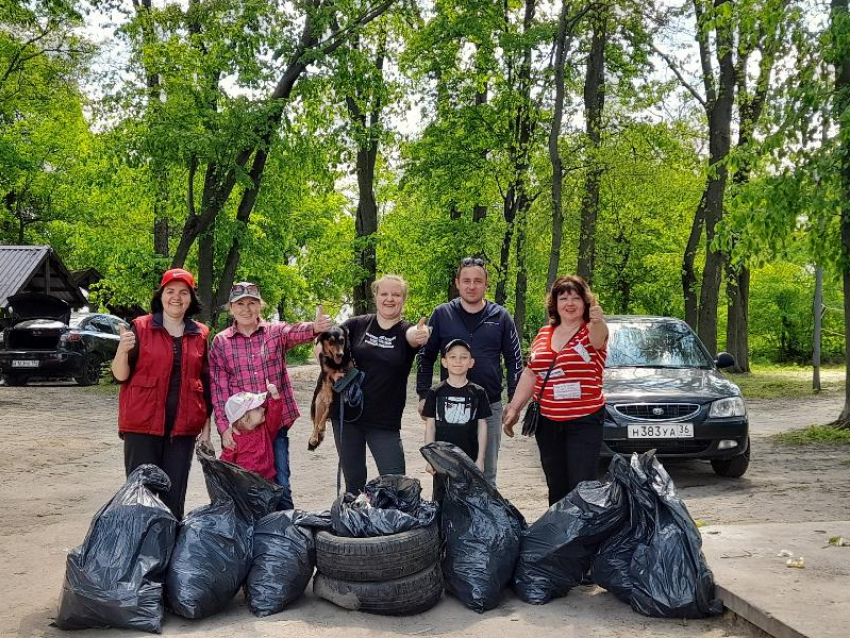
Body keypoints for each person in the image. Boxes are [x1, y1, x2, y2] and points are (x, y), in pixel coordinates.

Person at [209, 282, 332, 509]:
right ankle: (252, 535)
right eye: (240, 304)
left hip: (275, 423)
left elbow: (295, 331)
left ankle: (287, 535)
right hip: (242, 428)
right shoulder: (221, 342)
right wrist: (224, 427)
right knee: (244, 485)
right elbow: (219, 388)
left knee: (280, 483)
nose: (246, 309)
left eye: (252, 303)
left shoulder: (275, 333)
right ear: (232, 308)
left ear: (260, 306)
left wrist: (315, 327)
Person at [111, 268, 211, 519]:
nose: (176, 297)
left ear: (191, 298)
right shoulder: (140, 327)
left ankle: (168, 552)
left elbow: (205, 383)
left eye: (183, 292)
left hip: (183, 430)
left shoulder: (200, 333)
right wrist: (122, 351)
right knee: (140, 496)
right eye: (170, 291)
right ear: (161, 295)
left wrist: (206, 429)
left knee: (173, 495)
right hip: (142, 427)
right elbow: (120, 375)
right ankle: (140, 553)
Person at [502, 275, 609, 506]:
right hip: (548, 422)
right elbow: (532, 373)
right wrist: (514, 407)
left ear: (585, 302)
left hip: (584, 420)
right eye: (563, 298)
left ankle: (583, 539)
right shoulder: (543, 334)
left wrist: (598, 320)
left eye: (576, 298)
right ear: (555, 303)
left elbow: (599, 341)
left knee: (582, 486)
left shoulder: (591, 330)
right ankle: (558, 538)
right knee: (556, 485)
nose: (569, 303)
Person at [417, 257, 522, 486]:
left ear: (486, 284)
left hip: (489, 407)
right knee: (447, 470)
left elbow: (515, 360)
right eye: (466, 281)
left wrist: (514, 402)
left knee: (486, 472)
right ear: (457, 283)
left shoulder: (501, 317)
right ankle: (449, 519)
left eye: (477, 281)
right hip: (448, 405)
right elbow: (425, 356)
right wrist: (424, 394)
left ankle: (486, 521)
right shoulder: (442, 314)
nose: (471, 286)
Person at [322, 274, 430, 495]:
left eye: (396, 295)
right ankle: (355, 524)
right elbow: (324, 343)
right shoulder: (357, 324)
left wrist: (421, 334)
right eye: (384, 294)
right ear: (376, 296)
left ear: (403, 299)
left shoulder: (405, 331)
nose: (389, 299)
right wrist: (330, 367)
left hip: (384, 420)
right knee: (354, 483)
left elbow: (414, 335)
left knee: (396, 483)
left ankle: (399, 527)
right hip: (347, 415)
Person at [422, 338, 489, 501]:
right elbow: (430, 427)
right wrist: (430, 459)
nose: (458, 361)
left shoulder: (478, 392)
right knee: (441, 499)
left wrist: (480, 459)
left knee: (467, 501)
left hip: (469, 459)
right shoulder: (435, 392)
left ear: (471, 362)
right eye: (452, 357)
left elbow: (482, 425)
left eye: (463, 357)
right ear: (444, 362)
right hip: (442, 460)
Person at [220, 383, 284, 480]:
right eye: (257, 408)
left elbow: (275, 417)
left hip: (268, 482)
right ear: (245, 418)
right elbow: (225, 464)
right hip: (245, 484)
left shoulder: (265, 429)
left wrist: (275, 397)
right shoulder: (234, 440)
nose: (263, 409)